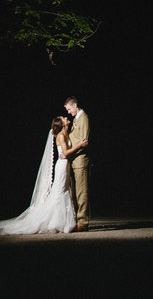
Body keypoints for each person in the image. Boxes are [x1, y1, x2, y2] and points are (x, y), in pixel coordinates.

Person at [0, 116, 87, 236]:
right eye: (64, 118)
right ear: (61, 124)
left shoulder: (65, 133)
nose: (66, 118)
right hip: (62, 166)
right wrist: (80, 145)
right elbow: (66, 153)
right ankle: (56, 222)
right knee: (59, 193)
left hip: (65, 166)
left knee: (62, 191)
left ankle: (61, 221)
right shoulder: (61, 135)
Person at [64, 96, 91, 231]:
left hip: (80, 159)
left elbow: (84, 141)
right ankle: (77, 220)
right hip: (74, 159)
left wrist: (70, 152)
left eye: (69, 109)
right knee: (75, 192)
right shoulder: (76, 119)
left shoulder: (83, 118)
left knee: (81, 191)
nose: (68, 112)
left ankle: (83, 222)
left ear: (75, 105)